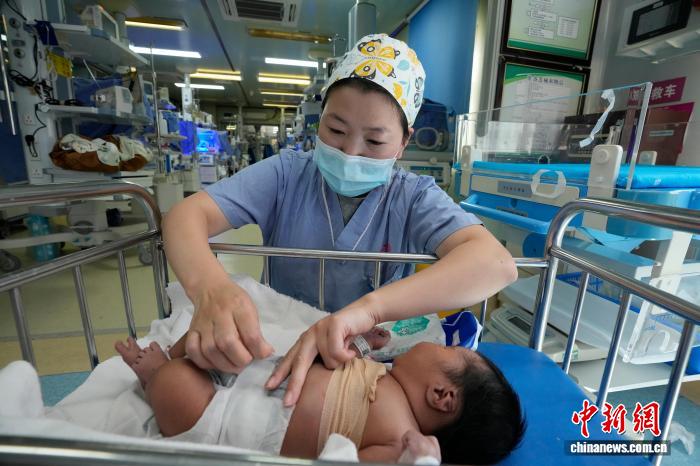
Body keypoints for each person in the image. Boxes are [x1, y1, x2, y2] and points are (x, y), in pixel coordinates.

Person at [161, 33, 518, 406]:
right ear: (320, 120)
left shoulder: (413, 197)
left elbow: (495, 264)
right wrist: (211, 289)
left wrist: (368, 311)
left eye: (374, 142)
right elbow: (187, 215)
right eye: (335, 130)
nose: (349, 152)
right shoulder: (286, 175)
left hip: (367, 361)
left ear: (403, 142)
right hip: (279, 346)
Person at [115, 332, 525, 464]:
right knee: (212, 335)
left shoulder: (397, 438)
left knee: (175, 385)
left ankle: (156, 376)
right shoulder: (386, 375)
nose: (440, 343)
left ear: (441, 395)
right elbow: (339, 368)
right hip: (258, 373)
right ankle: (176, 358)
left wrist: (417, 461)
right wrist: (360, 345)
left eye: (449, 350)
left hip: (226, 420)